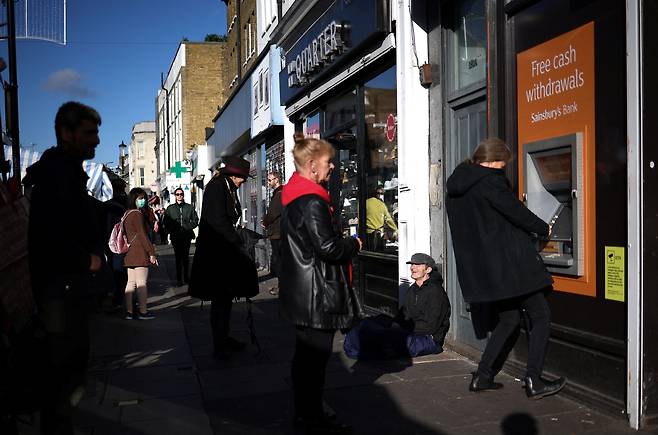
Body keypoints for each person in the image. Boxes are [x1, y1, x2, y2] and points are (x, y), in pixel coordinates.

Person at [445, 137, 566, 399]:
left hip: (487, 270)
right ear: (493, 160)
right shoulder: (490, 181)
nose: (503, 168)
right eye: (503, 163)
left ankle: (483, 376)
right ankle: (534, 380)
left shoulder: (457, 186)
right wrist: (543, 227)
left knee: (509, 319)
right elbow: (516, 212)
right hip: (512, 267)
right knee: (541, 316)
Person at [24, 101, 104, 434]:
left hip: (65, 292)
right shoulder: (57, 174)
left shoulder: (65, 172)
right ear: (65, 133)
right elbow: (51, 236)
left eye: (97, 133)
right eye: (88, 133)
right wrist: (87, 260)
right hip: (60, 294)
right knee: (62, 381)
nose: (96, 140)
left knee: (65, 383)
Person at [279, 135, 362, 434]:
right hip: (317, 293)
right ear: (312, 166)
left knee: (305, 359)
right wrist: (353, 244)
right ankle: (311, 416)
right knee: (314, 361)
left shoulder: (292, 198)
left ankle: (307, 411)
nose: (332, 168)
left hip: (301, 291)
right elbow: (327, 248)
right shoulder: (313, 201)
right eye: (328, 163)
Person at [188, 156, 259, 359]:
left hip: (223, 253)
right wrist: (236, 241)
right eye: (242, 178)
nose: (243, 182)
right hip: (216, 256)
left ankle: (224, 337)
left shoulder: (226, 187)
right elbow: (217, 220)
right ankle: (219, 343)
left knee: (224, 300)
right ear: (234, 175)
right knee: (220, 300)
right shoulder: (217, 187)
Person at [344, 253, 450, 360]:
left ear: (428, 270)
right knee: (367, 324)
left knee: (385, 340)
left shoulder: (436, 292)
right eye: (412, 264)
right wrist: (395, 324)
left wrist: (401, 328)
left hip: (427, 339)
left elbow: (430, 326)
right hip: (410, 332)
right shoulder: (413, 289)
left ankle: (364, 351)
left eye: (417, 265)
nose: (412, 268)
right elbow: (404, 314)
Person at [123, 187, 158, 320]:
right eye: (140, 198)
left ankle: (129, 312)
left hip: (129, 252)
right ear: (134, 199)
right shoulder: (137, 214)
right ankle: (143, 311)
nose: (143, 201)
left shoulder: (127, 213)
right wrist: (151, 252)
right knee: (142, 282)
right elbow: (142, 235)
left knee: (130, 283)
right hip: (139, 252)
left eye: (144, 198)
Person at [103, 178, 129, 311]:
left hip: (108, 243)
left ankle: (115, 298)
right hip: (120, 243)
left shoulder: (106, 205)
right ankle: (118, 298)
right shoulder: (124, 206)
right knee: (120, 272)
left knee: (114, 270)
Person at [164, 188, 199, 286]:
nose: (179, 196)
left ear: (183, 195)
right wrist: (173, 228)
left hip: (186, 236)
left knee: (186, 258)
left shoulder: (189, 207)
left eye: (181, 194)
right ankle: (179, 279)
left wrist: (187, 227)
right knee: (178, 258)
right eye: (177, 194)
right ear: (175, 196)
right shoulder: (170, 208)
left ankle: (186, 277)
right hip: (176, 237)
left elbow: (195, 220)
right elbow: (166, 222)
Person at [262, 170, 283, 295]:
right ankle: (282, 286)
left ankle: (283, 287)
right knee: (279, 260)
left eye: (270, 180)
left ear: (277, 179)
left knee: (279, 260)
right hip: (277, 230)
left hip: (278, 232)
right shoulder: (278, 193)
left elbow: (273, 212)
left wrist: (265, 222)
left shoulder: (279, 193)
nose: (268, 183)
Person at [365, 185, 398, 252]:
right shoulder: (381, 204)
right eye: (380, 194)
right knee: (379, 252)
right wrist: (395, 229)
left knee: (369, 252)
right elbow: (388, 219)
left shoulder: (364, 203)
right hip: (379, 234)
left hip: (367, 233)